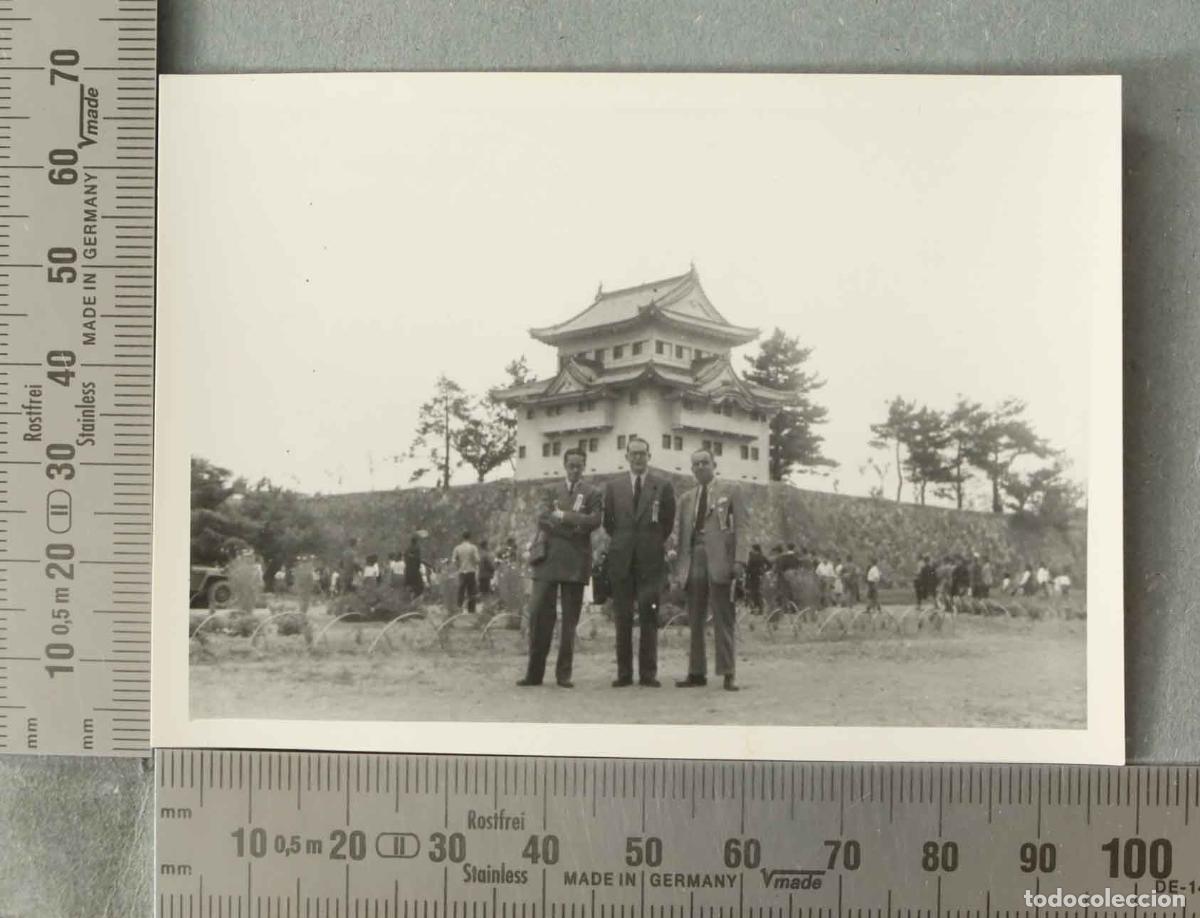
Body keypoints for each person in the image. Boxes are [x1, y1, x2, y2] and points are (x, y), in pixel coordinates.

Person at [518, 448, 602, 688]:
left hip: (576, 563)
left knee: (569, 622)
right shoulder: (550, 490)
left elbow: (594, 521)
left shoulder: (592, 493)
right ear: (564, 465)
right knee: (539, 616)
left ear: (584, 466)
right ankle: (534, 674)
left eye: (579, 465)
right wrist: (574, 527)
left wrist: (563, 516)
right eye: (571, 465)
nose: (575, 470)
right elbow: (543, 519)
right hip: (548, 560)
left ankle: (563, 675)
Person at [603, 436, 675, 688]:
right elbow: (609, 523)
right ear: (626, 457)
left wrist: (649, 544)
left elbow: (667, 523)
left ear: (649, 456)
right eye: (633, 453)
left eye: (642, 453)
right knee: (622, 618)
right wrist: (626, 543)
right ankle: (624, 674)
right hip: (622, 560)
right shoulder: (613, 487)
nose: (638, 458)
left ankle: (648, 674)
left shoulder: (662, 486)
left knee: (649, 617)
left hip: (650, 562)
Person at [674, 449, 742, 692]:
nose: (701, 467)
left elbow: (743, 529)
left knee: (723, 617)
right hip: (694, 559)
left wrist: (739, 561)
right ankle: (696, 672)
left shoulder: (730, 492)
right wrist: (679, 566)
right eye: (696, 464)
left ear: (714, 464)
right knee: (695, 619)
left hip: (720, 559)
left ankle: (728, 673)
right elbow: (681, 535)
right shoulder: (685, 499)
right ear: (692, 469)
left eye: (705, 462)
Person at [451, 531, 480, 613]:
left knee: (461, 591)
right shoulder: (473, 547)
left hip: (461, 572)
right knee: (471, 591)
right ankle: (472, 610)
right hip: (471, 571)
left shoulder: (457, 548)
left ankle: (459, 609)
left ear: (462, 538)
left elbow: (453, 560)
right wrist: (473, 564)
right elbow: (477, 560)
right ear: (470, 537)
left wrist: (458, 567)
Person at [745, 543, 769, 614]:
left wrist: (747, 574)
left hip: (753, 577)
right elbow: (769, 564)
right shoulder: (762, 556)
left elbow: (748, 568)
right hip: (761, 576)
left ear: (754, 549)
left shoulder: (752, 557)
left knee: (753, 593)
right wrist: (764, 571)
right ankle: (761, 608)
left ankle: (755, 608)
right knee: (759, 592)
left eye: (752, 548)